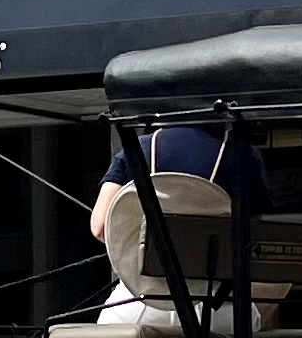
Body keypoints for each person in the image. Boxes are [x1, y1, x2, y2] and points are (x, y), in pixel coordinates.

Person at [86, 122, 281, 325]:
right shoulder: (243, 156)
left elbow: (100, 226)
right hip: (217, 308)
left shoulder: (137, 148)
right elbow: (257, 242)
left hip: (138, 305)